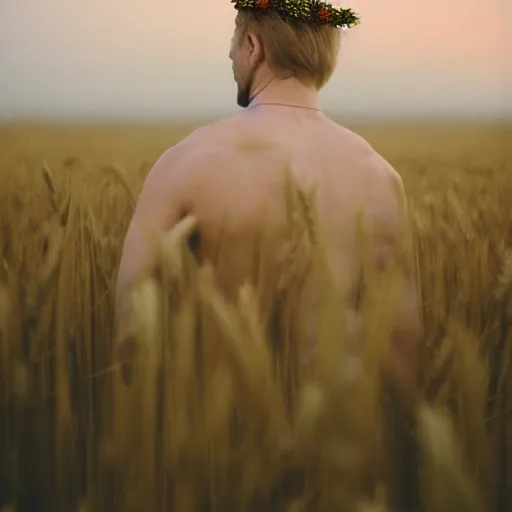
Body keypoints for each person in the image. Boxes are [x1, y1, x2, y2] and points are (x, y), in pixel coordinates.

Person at [114, 0, 421, 400]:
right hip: (335, 448)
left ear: (254, 46)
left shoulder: (185, 164)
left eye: (235, 38)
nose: (229, 52)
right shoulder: (382, 179)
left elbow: (129, 336)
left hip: (212, 448)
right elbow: (403, 357)